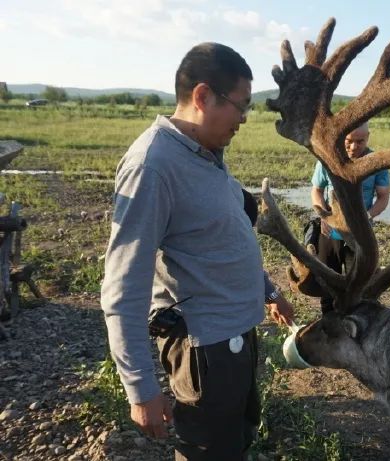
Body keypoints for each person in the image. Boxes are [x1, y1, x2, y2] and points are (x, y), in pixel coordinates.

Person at [100, 42, 294, 461]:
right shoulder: (153, 165)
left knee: (234, 444)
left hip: (235, 337)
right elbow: (122, 285)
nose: (244, 118)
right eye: (240, 106)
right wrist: (141, 389)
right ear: (203, 96)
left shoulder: (206, 155)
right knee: (208, 453)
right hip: (205, 349)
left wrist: (267, 290)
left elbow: (221, 237)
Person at [310, 122, 390, 312]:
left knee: (360, 286)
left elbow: (383, 197)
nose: (354, 147)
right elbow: (316, 191)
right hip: (330, 232)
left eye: (360, 141)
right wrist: (324, 214)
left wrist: (367, 216)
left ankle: (354, 324)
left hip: (361, 235)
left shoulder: (376, 162)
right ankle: (329, 322)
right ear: (341, 139)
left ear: (368, 137)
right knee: (327, 284)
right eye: (348, 141)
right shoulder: (327, 158)